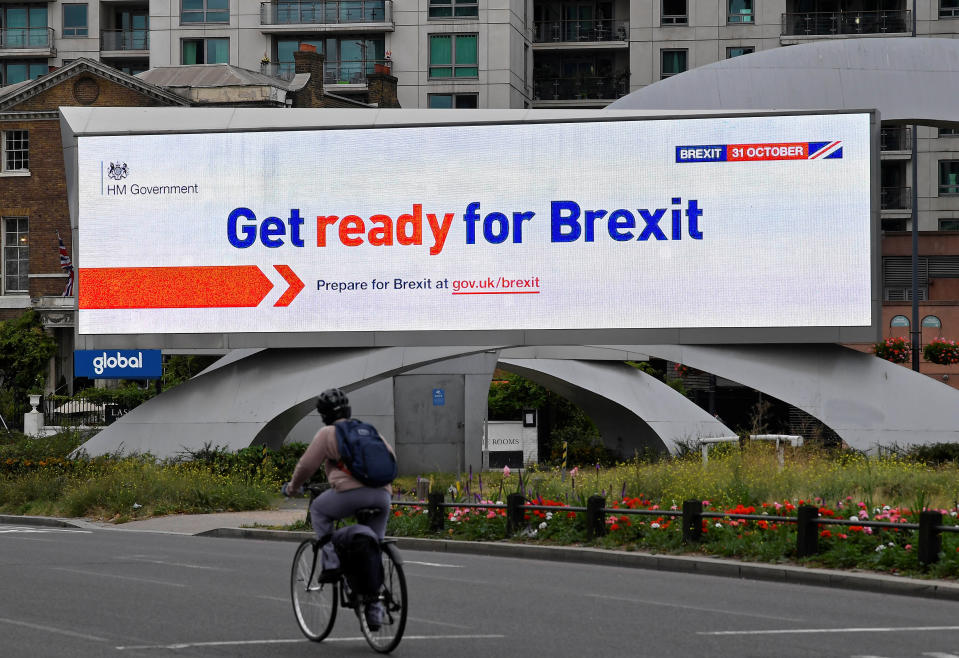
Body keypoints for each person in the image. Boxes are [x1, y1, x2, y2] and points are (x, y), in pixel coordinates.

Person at [283, 388, 394, 583]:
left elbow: (306, 466)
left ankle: (332, 562)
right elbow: (391, 458)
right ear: (348, 410)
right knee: (374, 546)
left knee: (318, 509)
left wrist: (293, 487)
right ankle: (374, 604)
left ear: (324, 415)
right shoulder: (369, 430)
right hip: (383, 495)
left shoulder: (328, 433)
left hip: (351, 494)